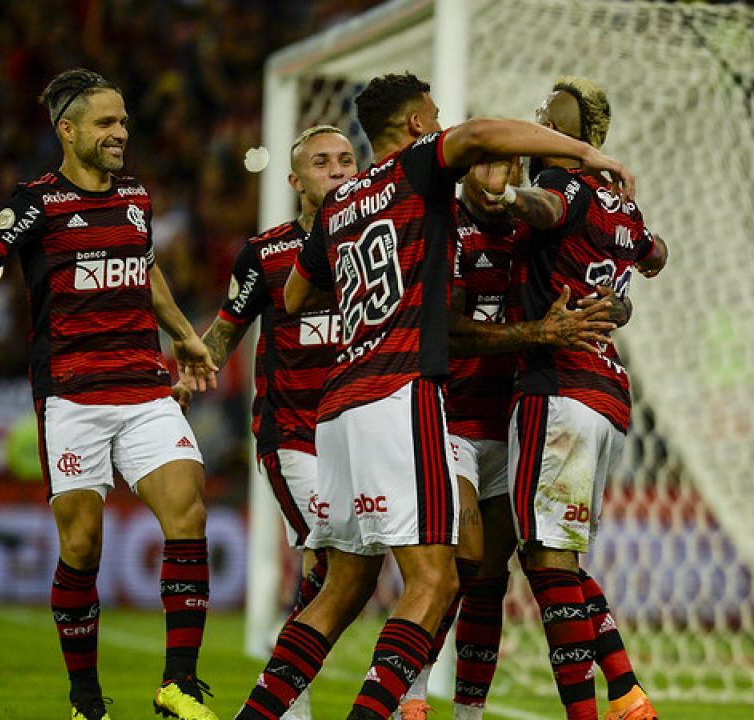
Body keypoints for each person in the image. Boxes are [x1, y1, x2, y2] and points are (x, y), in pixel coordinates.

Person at [234, 72, 635, 720]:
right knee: (436, 580)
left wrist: (368, 290)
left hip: (336, 405)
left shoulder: (340, 204)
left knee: (342, 588)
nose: (444, 120)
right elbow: (476, 136)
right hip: (399, 392)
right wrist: (587, 155)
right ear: (418, 125)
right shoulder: (414, 169)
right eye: (436, 113)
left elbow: (295, 297)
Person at [0, 69, 220, 720]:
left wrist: (186, 336)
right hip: (73, 396)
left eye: (125, 122)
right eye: (106, 123)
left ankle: (179, 686)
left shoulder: (136, 195)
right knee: (82, 547)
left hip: (143, 389)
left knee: (188, 512)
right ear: (68, 130)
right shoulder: (37, 202)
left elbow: (147, 267)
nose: (120, 133)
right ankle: (85, 699)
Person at [396, 163, 621, 720]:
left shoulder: (534, 232)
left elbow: (603, 280)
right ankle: (413, 695)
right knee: (463, 562)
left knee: (492, 580)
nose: (496, 178)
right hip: (448, 419)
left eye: (508, 167)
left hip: (513, 423)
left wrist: (614, 304)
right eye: (485, 166)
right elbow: (445, 327)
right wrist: (537, 334)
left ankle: (469, 712)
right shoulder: (443, 227)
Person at [174, 125, 359, 720]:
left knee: (336, 569)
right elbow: (227, 327)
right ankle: (288, 701)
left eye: (346, 160)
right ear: (295, 180)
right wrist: (193, 373)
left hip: (361, 433)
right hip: (293, 433)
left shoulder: (377, 248)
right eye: (321, 162)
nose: (336, 170)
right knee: (334, 560)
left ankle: (288, 689)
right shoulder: (266, 253)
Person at [496, 77, 664, 720]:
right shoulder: (621, 205)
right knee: (553, 557)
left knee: (546, 560)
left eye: (550, 114)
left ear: (579, 135)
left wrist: (509, 195)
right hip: (605, 397)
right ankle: (624, 692)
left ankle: (601, 707)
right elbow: (656, 254)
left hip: (557, 385)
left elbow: (547, 211)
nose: (538, 117)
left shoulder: (564, 185)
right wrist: (627, 286)